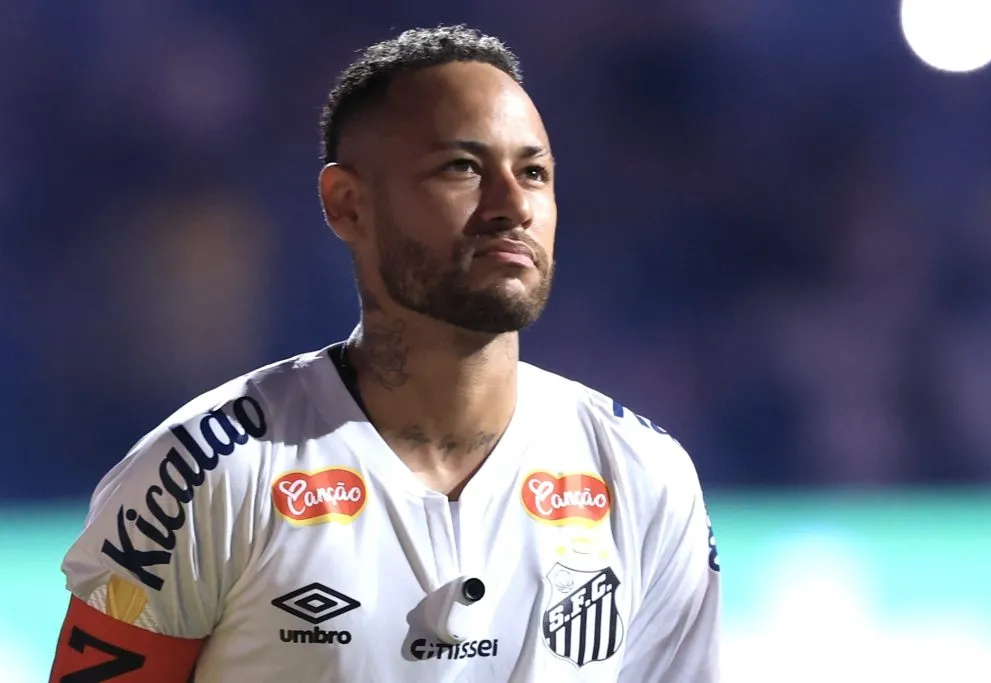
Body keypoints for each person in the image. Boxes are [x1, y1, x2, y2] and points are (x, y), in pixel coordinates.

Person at [48, 25, 721, 683]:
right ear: (347, 204)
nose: (512, 204)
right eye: (462, 168)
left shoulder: (643, 476)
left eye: (534, 172)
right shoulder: (203, 473)